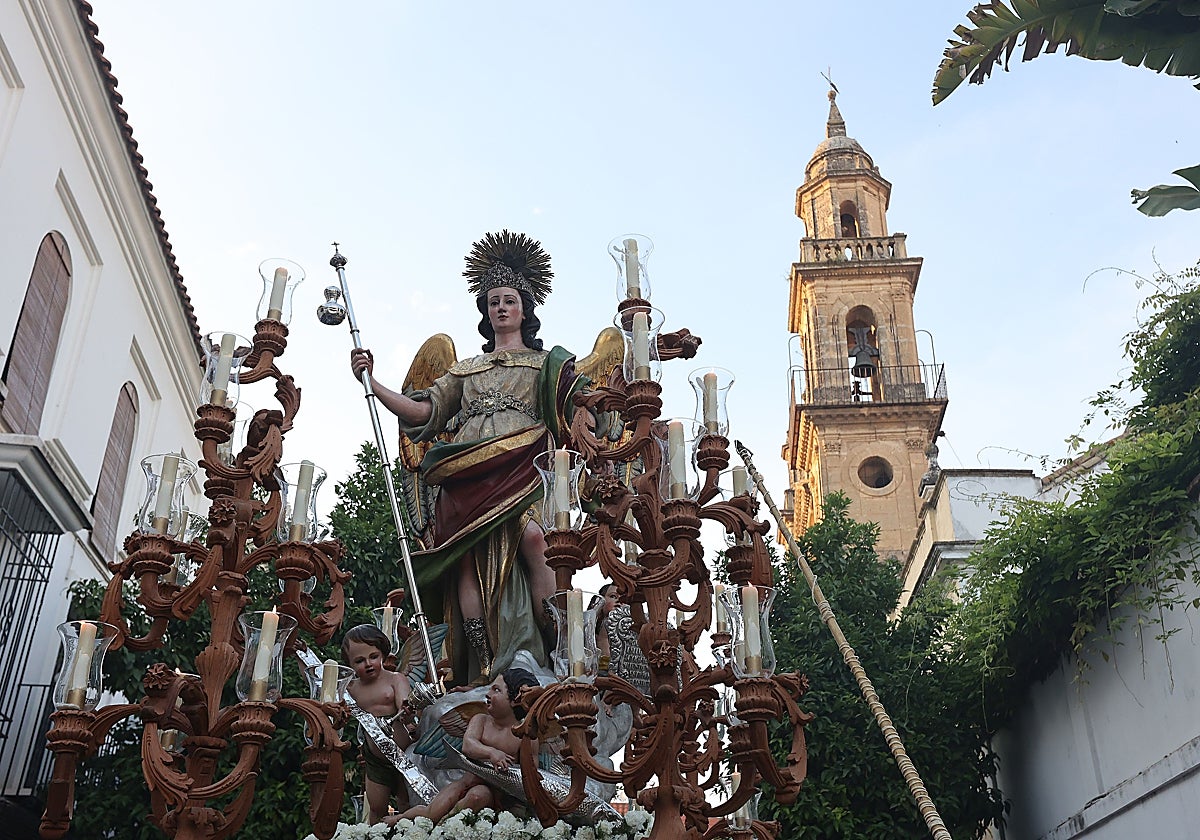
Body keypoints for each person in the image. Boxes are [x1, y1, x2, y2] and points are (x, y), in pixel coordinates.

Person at [350, 231, 588, 684]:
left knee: (537, 541)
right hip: (465, 471)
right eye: (493, 301)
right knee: (467, 562)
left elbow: (579, 407)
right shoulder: (466, 370)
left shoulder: (547, 365)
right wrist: (373, 383)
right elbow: (424, 411)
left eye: (509, 300)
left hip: (524, 466)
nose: (500, 307)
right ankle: (478, 664)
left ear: (525, 309)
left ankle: (558, 642)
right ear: (485, 312)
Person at [390, 666, 541, 824]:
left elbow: (531, 774)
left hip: (502, 796)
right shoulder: (480, 720)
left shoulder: (525, 736)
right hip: (467, 781)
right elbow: (468, 745)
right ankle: (397, 820)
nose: (488, 694)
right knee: (432, 811)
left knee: (479, 795)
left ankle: (445, 825)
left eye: (496, 690)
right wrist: (492, 753)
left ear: (516, 699)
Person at [342, 624, 414, 824]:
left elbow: (404, 705)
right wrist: (301, 656)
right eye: (359, 660)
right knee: (376, 807)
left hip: (404, 753)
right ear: (349, 664)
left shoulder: (395, 679)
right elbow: (322, 683)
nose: (368, 663)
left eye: (373, 656)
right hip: (374, 757)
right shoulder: (352, 689)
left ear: (382, 653)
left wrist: (407, 709)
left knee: (407, 803)